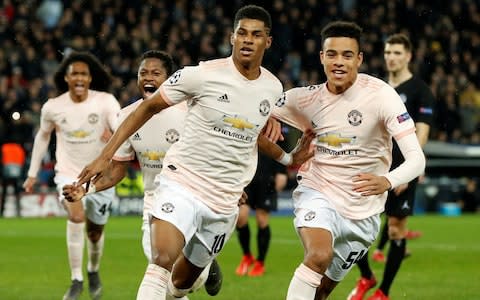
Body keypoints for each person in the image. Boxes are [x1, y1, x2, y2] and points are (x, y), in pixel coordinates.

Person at [75, 5, 314, 300]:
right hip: (182, 183)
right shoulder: (201, 75)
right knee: (160, 261)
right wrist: (105, 155)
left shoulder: (272, 87)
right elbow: (147, 107)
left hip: (225, 199)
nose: (247, 40)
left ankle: (192, 278)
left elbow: (251, 134)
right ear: (232, 38)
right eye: (242, 33)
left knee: (179, 286)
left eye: (256, 34)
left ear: (268, 41)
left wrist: (289, 159)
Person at [270, 21, 426, 300]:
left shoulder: (381, 95)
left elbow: (417, 159)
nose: (339, 62)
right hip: (318, 191)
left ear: (359, 59)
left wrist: (387, 180)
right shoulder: (306, 98)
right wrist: (275, 133)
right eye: (332, 54)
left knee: (323, 290)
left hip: (363, 212)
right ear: (321, 57)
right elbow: (254, 109)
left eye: (347, 55)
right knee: (318, 256)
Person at [62, 49, 224, 297]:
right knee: (161, 271)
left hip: (192, 197)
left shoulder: (191, 112)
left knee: (185, 283)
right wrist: (87, 190)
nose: (148, 77)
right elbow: (117, 170)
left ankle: (206, 263)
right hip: (155, 200)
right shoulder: (127, 116)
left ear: (170, 80)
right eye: (143, 73)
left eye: (156, 73)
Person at [23, 51, 121, 300]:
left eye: (83, 74)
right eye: (74, 73)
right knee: (76, 215)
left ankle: (93, 270)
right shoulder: (53, 107)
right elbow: (43, 136)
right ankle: (76, 278)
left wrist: (114, 138)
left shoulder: (106, 101)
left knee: (95, 233)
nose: (79, 78)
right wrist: (32, 173)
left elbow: (120, 127)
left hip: (100, 177)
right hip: (68, 174)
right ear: (66, 78)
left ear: (90, 78)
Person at [348, 33, 435, 300]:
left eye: (397, 53)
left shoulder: (420, 91)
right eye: (388, 52)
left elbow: (421, 133)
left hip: (399, 170)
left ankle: (383, 291)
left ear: (408, 56)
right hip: (372, 165)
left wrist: (407, 172)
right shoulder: (376, 88)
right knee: (352, 227)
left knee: (396, 228)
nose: (391, 58)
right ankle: (366, 276)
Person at [235, 151, 287, 277]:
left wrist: (282, 172)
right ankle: (247, 255)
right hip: (247, 179)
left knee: (262, 219)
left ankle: (260, 262)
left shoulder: (275, 131)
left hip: (267, 179)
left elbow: (281, 147)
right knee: (240, 218)